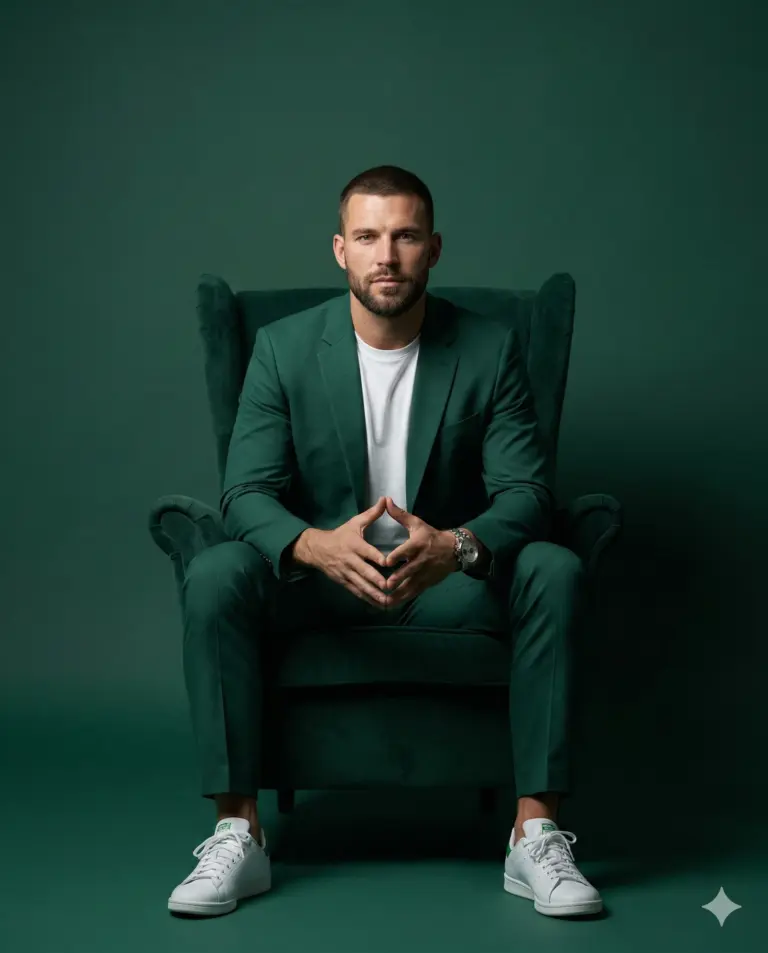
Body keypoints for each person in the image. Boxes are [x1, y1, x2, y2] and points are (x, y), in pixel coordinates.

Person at [168, 165, 602, 919]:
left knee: (552, 568)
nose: (387, 256)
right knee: (215, 574)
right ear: (340, 250)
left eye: (404, 236)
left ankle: (535, 833)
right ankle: (238, 831)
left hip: (450, 582)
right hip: (320, 584)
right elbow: (246, 494)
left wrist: (457, 547)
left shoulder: (490, 348)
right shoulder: (282, 348)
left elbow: (527, 494)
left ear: (433, 248)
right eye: (368, 236)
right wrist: (313, 546)